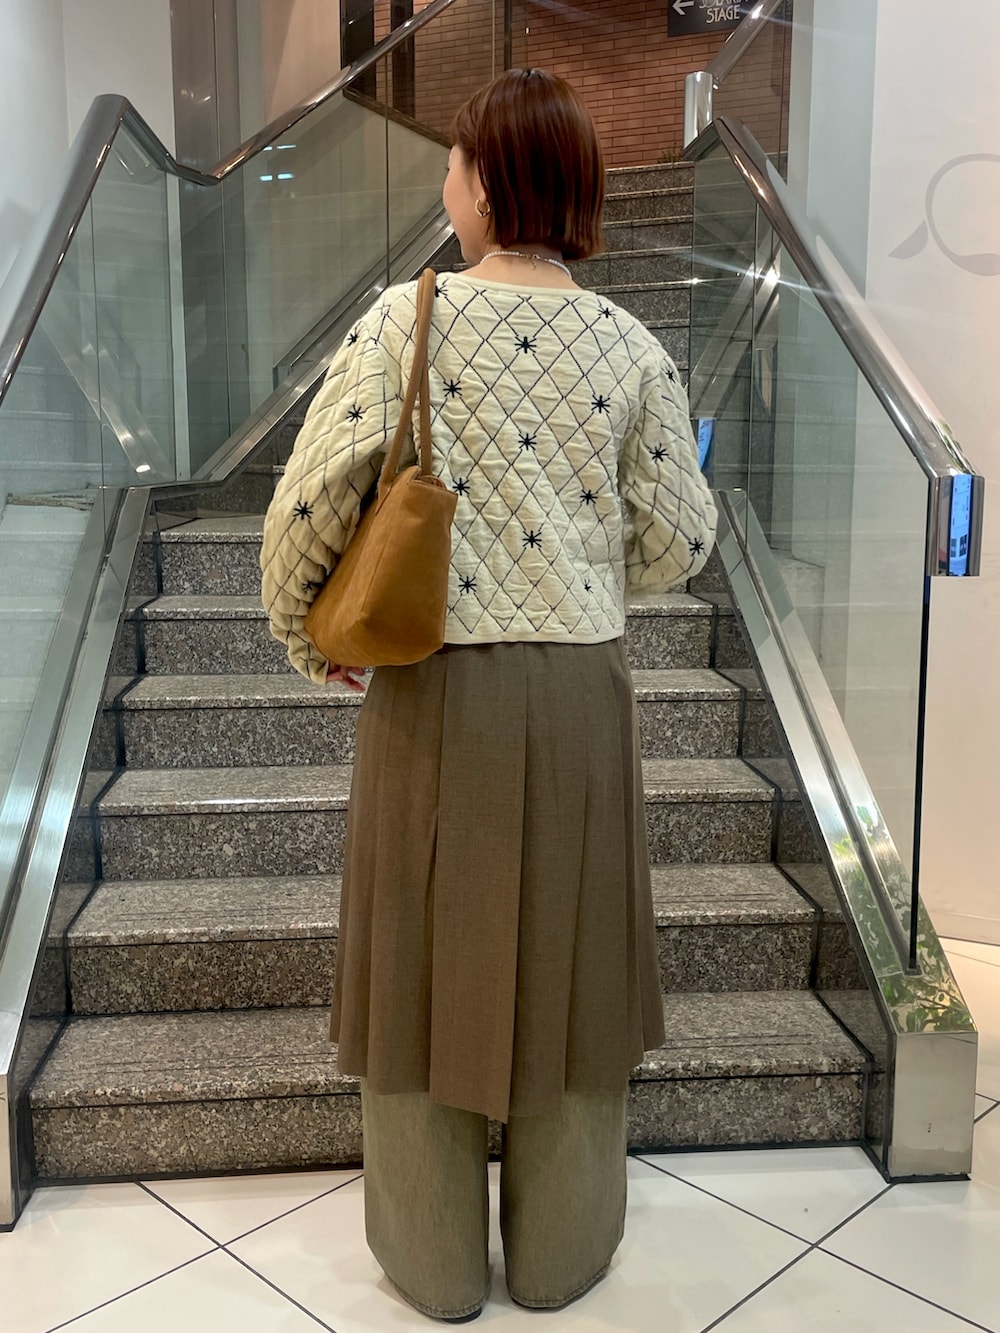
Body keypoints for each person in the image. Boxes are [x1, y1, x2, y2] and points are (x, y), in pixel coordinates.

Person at [260, 67, 717, 1325]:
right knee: (575, 968)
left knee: (417, 964)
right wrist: (576, 564)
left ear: (483, 182)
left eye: (455, 162)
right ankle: (562, 1253)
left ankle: (436, 1264)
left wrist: (307, 635)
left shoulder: (400, 323)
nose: (447, 182)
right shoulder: (631, 345)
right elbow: (679, 537)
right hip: (579, 695)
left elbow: (309, 506)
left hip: (433, 689)